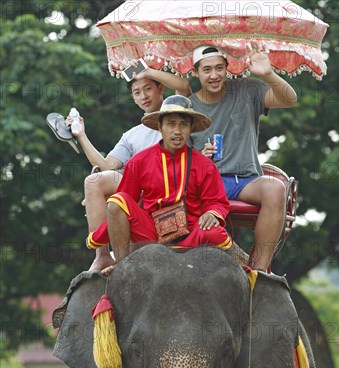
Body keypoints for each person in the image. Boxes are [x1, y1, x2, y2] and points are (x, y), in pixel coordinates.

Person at [86, 95, 232, 275]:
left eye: (183, 125)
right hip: (150, 232)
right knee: (117, 202)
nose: (177, 131)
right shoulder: (138, 161)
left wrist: (212, 214)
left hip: (191, 232)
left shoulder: (206, 165)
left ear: (191, 129)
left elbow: (217, 201)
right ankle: (122, 266)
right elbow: (125, 200)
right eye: (171, 124)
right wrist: (102, 231)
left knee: (216, 233)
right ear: (159, 127)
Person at [67, 68, 192, 271]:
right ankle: (103, 255)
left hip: (170, 185)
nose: (143, 96)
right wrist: (81, 135)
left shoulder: (179, 116)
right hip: (139, 186)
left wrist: (146, 69)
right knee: (93, 181)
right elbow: (107, 166)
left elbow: (184, 87)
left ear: (161, 88)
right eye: (136, 92)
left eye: (148, 88)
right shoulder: (132, 135)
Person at [189, 42, 298, 271]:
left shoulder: (247, 89)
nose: (214, 75)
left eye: (219, 68)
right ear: (195, 72)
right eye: (207, 70)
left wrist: (268, 74)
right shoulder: (187, 106)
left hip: (244, 180)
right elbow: (177, 157)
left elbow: (289, 99)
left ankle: (259, 270)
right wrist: (199, 157)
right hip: (205, 182)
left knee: (275, 188)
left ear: (227, 68)